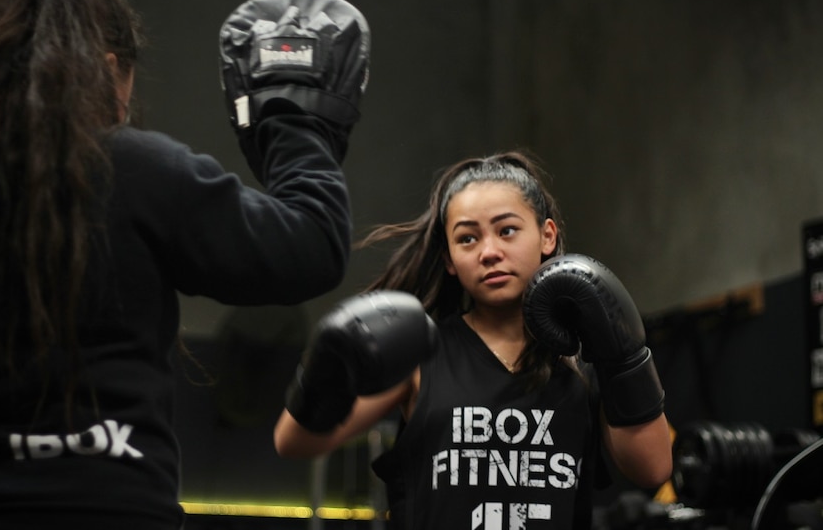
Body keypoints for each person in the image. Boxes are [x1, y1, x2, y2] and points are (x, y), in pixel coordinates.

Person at [0, 0, 368, 528]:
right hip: (111, 508)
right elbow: (312, 245)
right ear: (107, 71)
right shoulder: (136, 168)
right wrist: (290, 121)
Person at [274, 151, 673, 529]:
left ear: (546, 236)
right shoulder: (421, 354)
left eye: (507, 230)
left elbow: (653, 468)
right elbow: (294, 442)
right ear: (449, 259)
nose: (489, 252)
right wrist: (322, 369)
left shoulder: (584, 359)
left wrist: (623, 356)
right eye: (467, 239)